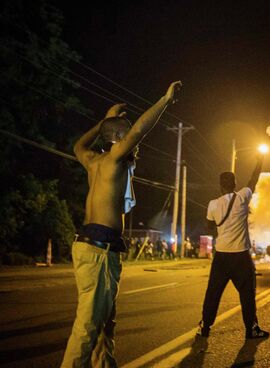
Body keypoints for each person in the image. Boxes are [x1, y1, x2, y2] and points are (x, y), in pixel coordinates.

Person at [62, 81, 182, 367]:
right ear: (116, 137)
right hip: (100, 250)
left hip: (90, 246)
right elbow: (141, 129)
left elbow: (79, 145)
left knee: (105, 325)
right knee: (89, 326)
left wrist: (104, 121)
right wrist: (165, 100)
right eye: (124, 131)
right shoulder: (114, 158)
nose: (131, 135)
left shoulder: (93, 161)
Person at [197, 154, 269, 340]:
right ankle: (251, 329)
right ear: (235, 184)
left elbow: (209, 226)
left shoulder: (213, 204)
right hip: (241, 256)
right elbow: (254, 179)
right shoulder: (243, 197)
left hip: (221, 256)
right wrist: (259, 161)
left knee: (213, 293)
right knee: (247, 295)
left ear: (220, 185)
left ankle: (205, 327)